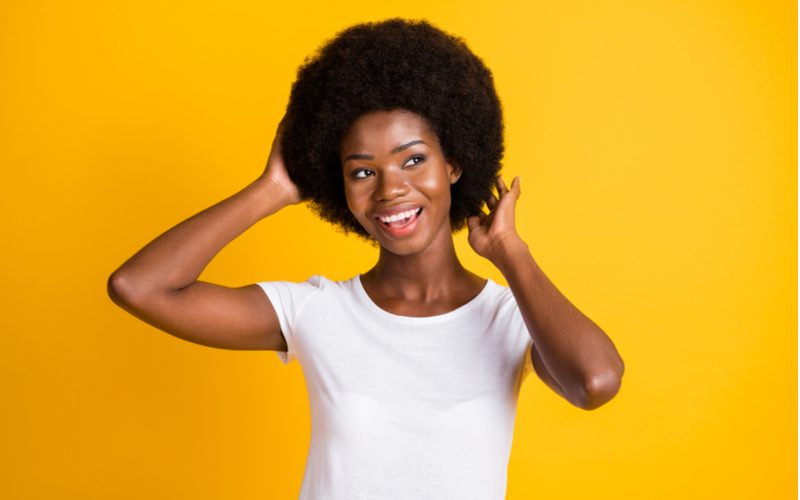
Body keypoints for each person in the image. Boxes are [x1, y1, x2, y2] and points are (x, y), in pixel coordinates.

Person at [107, 18, 624, 500]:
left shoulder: (511, 318)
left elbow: (595, 382)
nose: (390, 190)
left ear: (455, 165)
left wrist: (509, 252)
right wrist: (271, 190)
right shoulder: (316, 311)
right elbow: (139, 287)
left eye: (413, 159)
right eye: (362, 171)